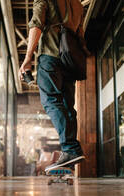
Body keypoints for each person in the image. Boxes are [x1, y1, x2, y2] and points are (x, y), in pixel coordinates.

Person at [19, 0, 87, 171]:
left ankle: (70, 149)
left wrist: (27, 58)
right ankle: (70, 152)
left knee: (51, 101)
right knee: (68, 107)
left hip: (50, 56)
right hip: (69, 59)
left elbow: (37, 24)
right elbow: (80, 35)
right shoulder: (77, 5)